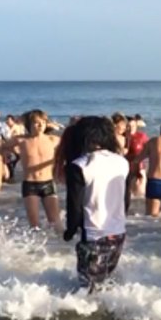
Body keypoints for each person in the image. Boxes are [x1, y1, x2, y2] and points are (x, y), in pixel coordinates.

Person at [62, 117, 130, 291]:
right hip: (118, 233)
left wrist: (70, 231)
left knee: (88, 290)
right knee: (105, 284)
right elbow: (126, 200)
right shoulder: (122, 161)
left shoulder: (79, 165)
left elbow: (74, 205)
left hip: (93, 235)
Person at [8, 110, 62, 230]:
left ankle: (59, 242)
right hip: (30, 184)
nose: (40, 125)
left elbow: (69, 149)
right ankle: (35, 242)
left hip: (48, 183)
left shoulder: (53, 139)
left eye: (43, 122)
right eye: (37, 122)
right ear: (29, 125)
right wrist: (11, 154)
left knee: (55, 222)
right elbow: (2, 147)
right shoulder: (21, 140)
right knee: (34, 225)